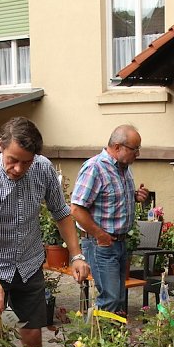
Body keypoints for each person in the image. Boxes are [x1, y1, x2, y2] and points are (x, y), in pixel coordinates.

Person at [0, 117, 89, 347]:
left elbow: (62, 213)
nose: (19, 168)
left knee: (32, 334)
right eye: (13, 159)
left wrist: (76, 255)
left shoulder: (43, 169)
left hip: (29, 264)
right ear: (0, 146)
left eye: (27, 161)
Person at [71, 125, 149, 313]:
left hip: (120, 244)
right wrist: (100, 235)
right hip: (101, 245)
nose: (137, 154)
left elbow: (111, 200)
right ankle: (90, 340)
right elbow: (76, 209)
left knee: (118, 300)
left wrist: (135, 196)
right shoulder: (94, 168)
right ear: (116, 147)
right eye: (134, 149)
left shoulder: (124, 169)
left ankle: (112, 341)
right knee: (110, 299)